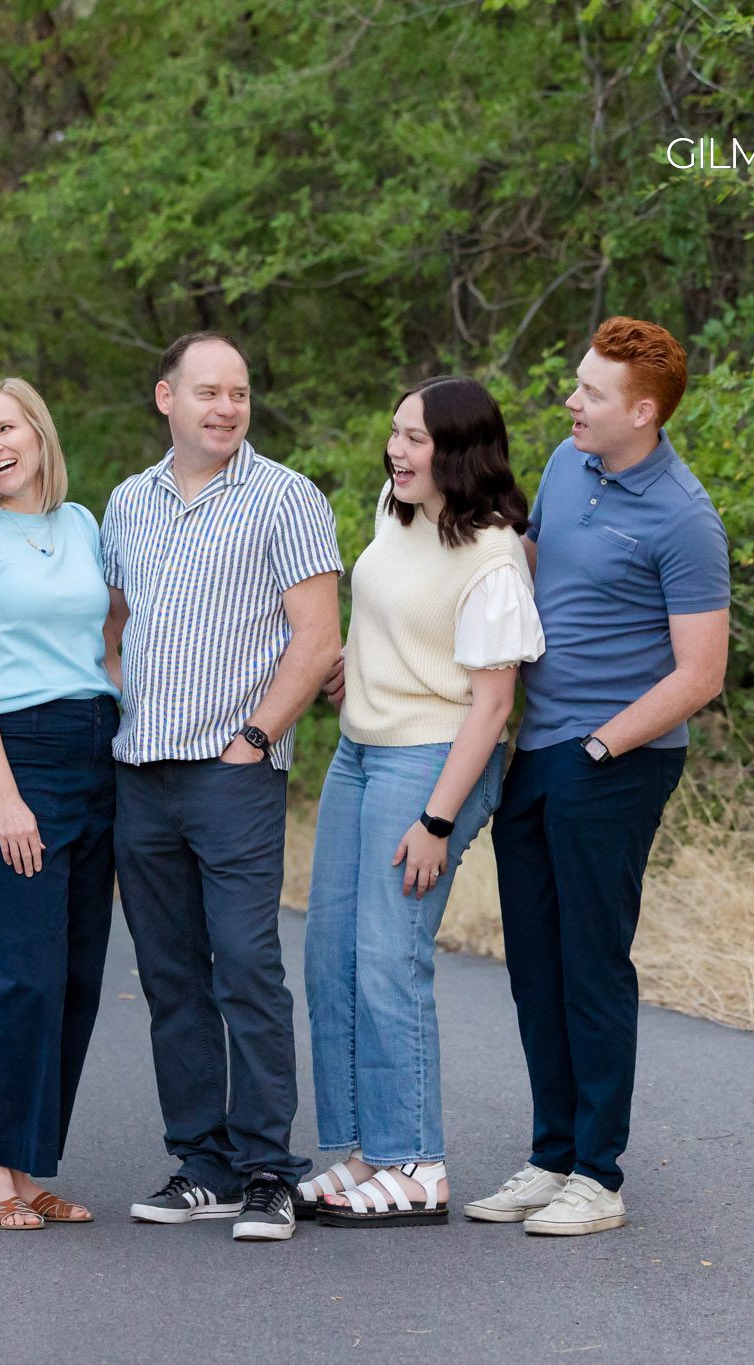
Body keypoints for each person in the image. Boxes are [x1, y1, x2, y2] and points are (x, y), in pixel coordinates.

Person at [468, 317, 729, 1236]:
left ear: (644, 412)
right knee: (535, 962)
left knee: (591, 963)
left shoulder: (685, 518)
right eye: (577, 385)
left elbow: (701, 673)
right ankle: (549, 1156)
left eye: (591, 393)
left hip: (613, 762)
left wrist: (599, 747)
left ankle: (597, 1175)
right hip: (537, 748)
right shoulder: (567, 464)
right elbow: (530, 575)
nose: (570, 402)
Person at [101, 331, 343, 1243]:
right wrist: (123, 703)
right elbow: (112, 624)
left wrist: (253, 740)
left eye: (238, 392)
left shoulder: (285, 497)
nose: (225, 407)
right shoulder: (128, 502)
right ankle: (199, 1162)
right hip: (141, 774)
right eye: (207, 391)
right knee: (170, 977)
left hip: (233, 775)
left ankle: (269, 1171)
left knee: (247, 967)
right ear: (167, 397)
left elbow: (317, 638)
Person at [302, 377, 544, 1227]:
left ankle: (419, 1163)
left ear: (460, 450)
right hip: (361, 750)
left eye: (416, 439)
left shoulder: (494, 555)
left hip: (434, 760)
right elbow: (389, 608)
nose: (397, 451)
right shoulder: (397, 507)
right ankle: (366, 1151)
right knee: (331, 951)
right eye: (395, 432)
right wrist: (354, 663)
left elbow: (491, 702)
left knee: (388, 954)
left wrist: (438, 819)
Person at [0, 377, 122, 1231]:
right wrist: (3, 793)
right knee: (23, 972)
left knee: (78, 973)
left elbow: (108, 637)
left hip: (95, 743)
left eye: (5, 428)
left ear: (38, 432)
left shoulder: (82, 525)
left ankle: (34, 1165)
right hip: (20, 752)